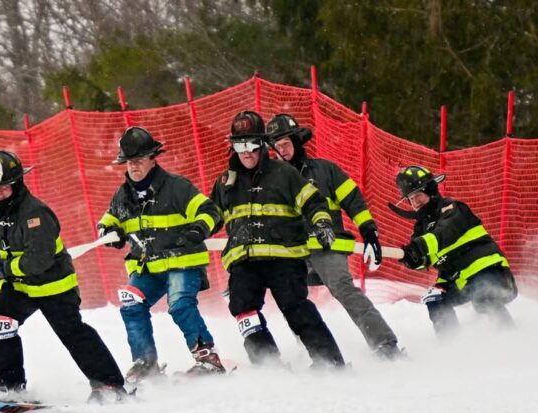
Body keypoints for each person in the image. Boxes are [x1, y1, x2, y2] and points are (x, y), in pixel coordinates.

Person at [0, 149, 127, 403]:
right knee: (0, 322)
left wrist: (6, 267)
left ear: (16, 184)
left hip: (53, 285)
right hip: (20, 286)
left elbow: (38, 260)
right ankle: (8, 384)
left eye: (3, 186)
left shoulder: (36, 214)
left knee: (72, 333)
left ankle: (109, 385)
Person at [209, 110, 345, 368]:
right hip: (244, 259)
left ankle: (329, 363)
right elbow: (211, 215)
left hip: (284, 257)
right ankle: (268, 363)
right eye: (239, 145)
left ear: (262, 144)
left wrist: (322, 222)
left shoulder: (285, 173)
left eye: (251, 144)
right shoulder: (226, 181)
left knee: (296, 308)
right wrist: (193, 232)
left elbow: (313, 202)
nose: (246, 152)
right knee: (243, 309)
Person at [266, 113, 403, 358]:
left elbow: (354, 201)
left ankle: (385, 345)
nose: (282, 150)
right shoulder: (271, 179)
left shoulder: (325, 170)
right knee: (291, 300)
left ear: (297, 142)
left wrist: (369, 232)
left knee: (343, 288)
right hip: (292, 252)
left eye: (286, 143)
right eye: (277, 146)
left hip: (326, 246)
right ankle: (319, 354)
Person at [97, 126, 226, 382]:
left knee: (179, 305)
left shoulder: (177, 187)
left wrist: (199, 229)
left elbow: (211, 212)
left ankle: (208, 358)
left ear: (152, 158)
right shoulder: (123, 196)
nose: (133, 167)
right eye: (129, 162)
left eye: (139, 161)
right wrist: (109, 232)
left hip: (183, 263)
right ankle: (146, 364)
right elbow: (106, 222)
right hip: (147, 268)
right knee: (131, 303)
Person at [391, 165, 517, 337]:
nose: (415, 202)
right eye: (411, 199)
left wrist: (418, 248)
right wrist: (412, 259)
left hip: (485, 269)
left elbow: (444, 232)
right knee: (434, 298)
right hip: (458, 279)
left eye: (418, 195)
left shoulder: (451, 208)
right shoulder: (421, 229)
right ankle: (452, 347)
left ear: (430, 191)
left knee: (483, 294)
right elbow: (424, 258)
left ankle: (511, 338)